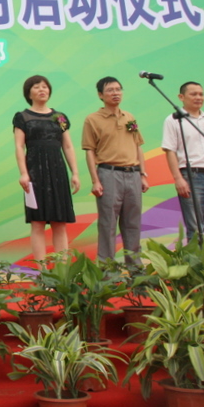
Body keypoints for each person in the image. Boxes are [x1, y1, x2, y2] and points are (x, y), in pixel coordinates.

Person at [81, 76, 149, 265]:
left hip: (133, 174)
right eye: (110, 90)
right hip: (109, 174)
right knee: (108, 224)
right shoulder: (92, 119)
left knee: (133, 224)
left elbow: (138, 146)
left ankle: (135, 270)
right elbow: (89, 151)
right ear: (100, 95)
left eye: (118, 89)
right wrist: (95, 180)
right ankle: (107, 271)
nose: (115, 93)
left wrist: (143, 174)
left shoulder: (129, 117)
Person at [13, 75, 80, 263]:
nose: (42, 90)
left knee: (60, 222)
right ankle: (42, 271)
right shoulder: (22, 117)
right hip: (35, 172)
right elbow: (19, 146)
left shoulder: (59, 117)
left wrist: (75, 173)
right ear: (29, 93)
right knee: (38, 222)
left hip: (57, 171)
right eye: (36, 87)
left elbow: (68, 146)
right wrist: (24, 173)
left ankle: (62, 269)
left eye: (45, 86)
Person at [162, 81, 204, 246]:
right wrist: (178, 179)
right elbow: (170, 150)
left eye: (201, 94)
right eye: (193, 94)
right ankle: (198, 262)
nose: (198, 97)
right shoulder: (174, 120)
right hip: (192, 176)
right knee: (196, 229)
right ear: (181, 97)